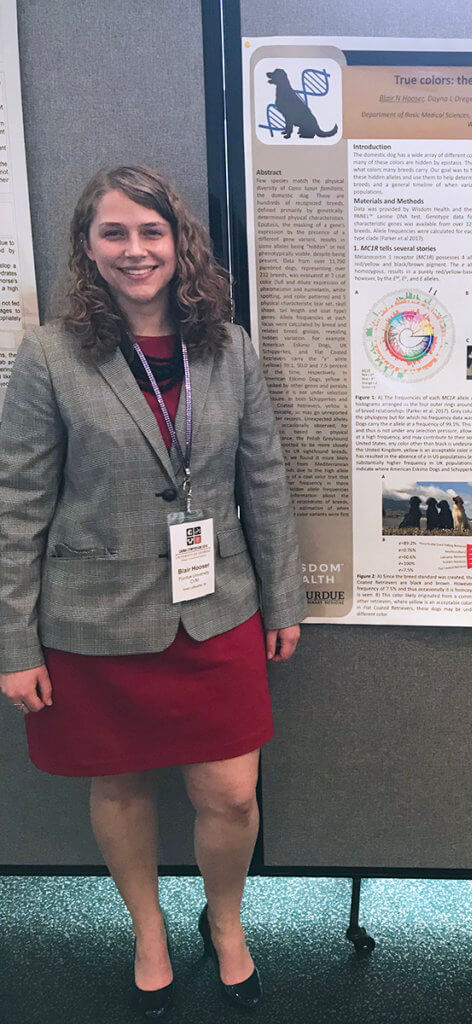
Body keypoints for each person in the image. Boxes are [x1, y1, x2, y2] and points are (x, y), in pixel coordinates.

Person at [0, 166, 307, 1018]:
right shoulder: (50, 356)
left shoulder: (229, 348)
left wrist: (283, 599)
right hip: (94, 618)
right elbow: (18, 502)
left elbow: (266, 481)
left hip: (218, 612)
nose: (135, 251)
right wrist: (13, 644)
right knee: (121, 786)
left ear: (180, 244)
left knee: (231, 793)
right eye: (114, 234)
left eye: (151, 233)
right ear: (89, 247)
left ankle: (226, 921)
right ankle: (146, 930)